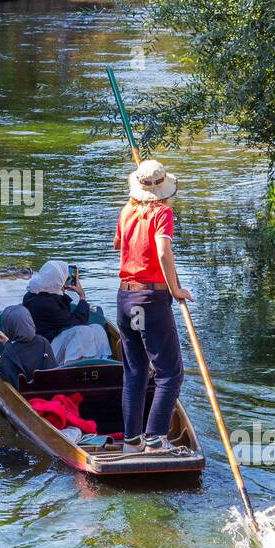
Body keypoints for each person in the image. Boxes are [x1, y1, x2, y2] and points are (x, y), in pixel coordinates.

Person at [113, 159, 193, 455]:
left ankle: (131, 441)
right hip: (150, 301)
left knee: (135, 371)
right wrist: (175, 288)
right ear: (163, 190)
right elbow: (162, 250)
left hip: (126, 300)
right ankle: (155, 438)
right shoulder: (163, 213)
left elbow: (117, 244)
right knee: (170, 373)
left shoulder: (126, 210)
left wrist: (135, 218)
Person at [22, 260, 111, 363]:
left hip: (51, 339)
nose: (67, 280)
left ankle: (100, 361)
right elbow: (76, 322)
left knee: (97, 328)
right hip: (46, 350)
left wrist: (62, 289)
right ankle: (72, 365)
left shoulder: (33, 293)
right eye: (64, 278)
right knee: (82, 331)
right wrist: (82, 297)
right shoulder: (48, 304)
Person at [0, 304, 57, 387]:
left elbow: (5, 380)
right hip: (48, 391)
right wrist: (7, 344)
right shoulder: (44, 342)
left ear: (8, 327)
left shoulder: (8, 355)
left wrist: (8, 346)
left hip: (24, 396)